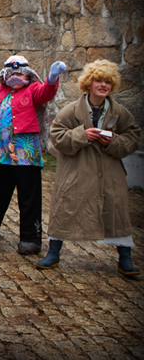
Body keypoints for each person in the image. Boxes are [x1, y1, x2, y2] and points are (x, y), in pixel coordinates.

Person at [38, 60, 141, 277]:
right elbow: (56, 136)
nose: (103, 85)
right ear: (89, 83)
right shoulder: (71, 110)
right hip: (76, 172)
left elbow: (133, 137)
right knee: (65, 208)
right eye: (98, 81)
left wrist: (112, 141)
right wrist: (81, 135)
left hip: (109, 173)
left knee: (116, 212)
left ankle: (125, 259)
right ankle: (53, 253)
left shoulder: (119, 112)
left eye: (107, 82)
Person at [0, 55, 66, 255]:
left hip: (26, 152)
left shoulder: (32, 89)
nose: (16, 76)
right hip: (1, 151)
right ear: (5, 74)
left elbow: (45, 93)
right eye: (13, 73)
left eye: (20, 73)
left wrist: (52, 78)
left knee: (28, 195)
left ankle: (31, 238)